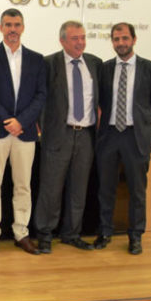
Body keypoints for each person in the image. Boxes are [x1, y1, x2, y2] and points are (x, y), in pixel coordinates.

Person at [0, 8, 46, 255]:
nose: (12, 29)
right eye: (8, 25)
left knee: (23, 185)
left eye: (17, 25)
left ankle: (21, 232)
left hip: (25, 132)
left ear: (23, 28)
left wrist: (22, 121)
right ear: (1, 28)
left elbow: (41, 95)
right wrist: (8, 120)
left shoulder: (37, 59)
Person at [95, 22, 151, 255]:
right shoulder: (104, 69)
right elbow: (101, 101)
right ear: (112, 42)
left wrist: (142, 124)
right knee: (106, 189)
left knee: (137, 191)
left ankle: (135, 236)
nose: (120, 43)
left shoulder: (150, 68)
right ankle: (105, 232)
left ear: (134, 40)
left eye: (124, 38)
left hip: (136, 137)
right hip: (109, 135)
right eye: (116, 39)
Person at [34, 21, 102, 253]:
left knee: (78, 189)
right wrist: (46, 128)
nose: (80, 42)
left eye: (83, 37)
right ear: (62, 40)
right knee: (51, 188)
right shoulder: (48, 64)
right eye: (75, 38)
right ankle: (45, 234)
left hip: (86, 136)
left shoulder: (94, 64)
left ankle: (72, 233)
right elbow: (39, 99)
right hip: (59, 134)